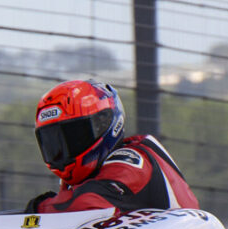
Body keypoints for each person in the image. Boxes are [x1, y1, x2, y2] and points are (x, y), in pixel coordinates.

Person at [27, 79, 198, 213]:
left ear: (105, 123)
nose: (65, 148)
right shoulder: (78, 186)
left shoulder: (133, 159)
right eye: (54, 142)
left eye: (74, 135)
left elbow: (91, 203)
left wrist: (36, 209)